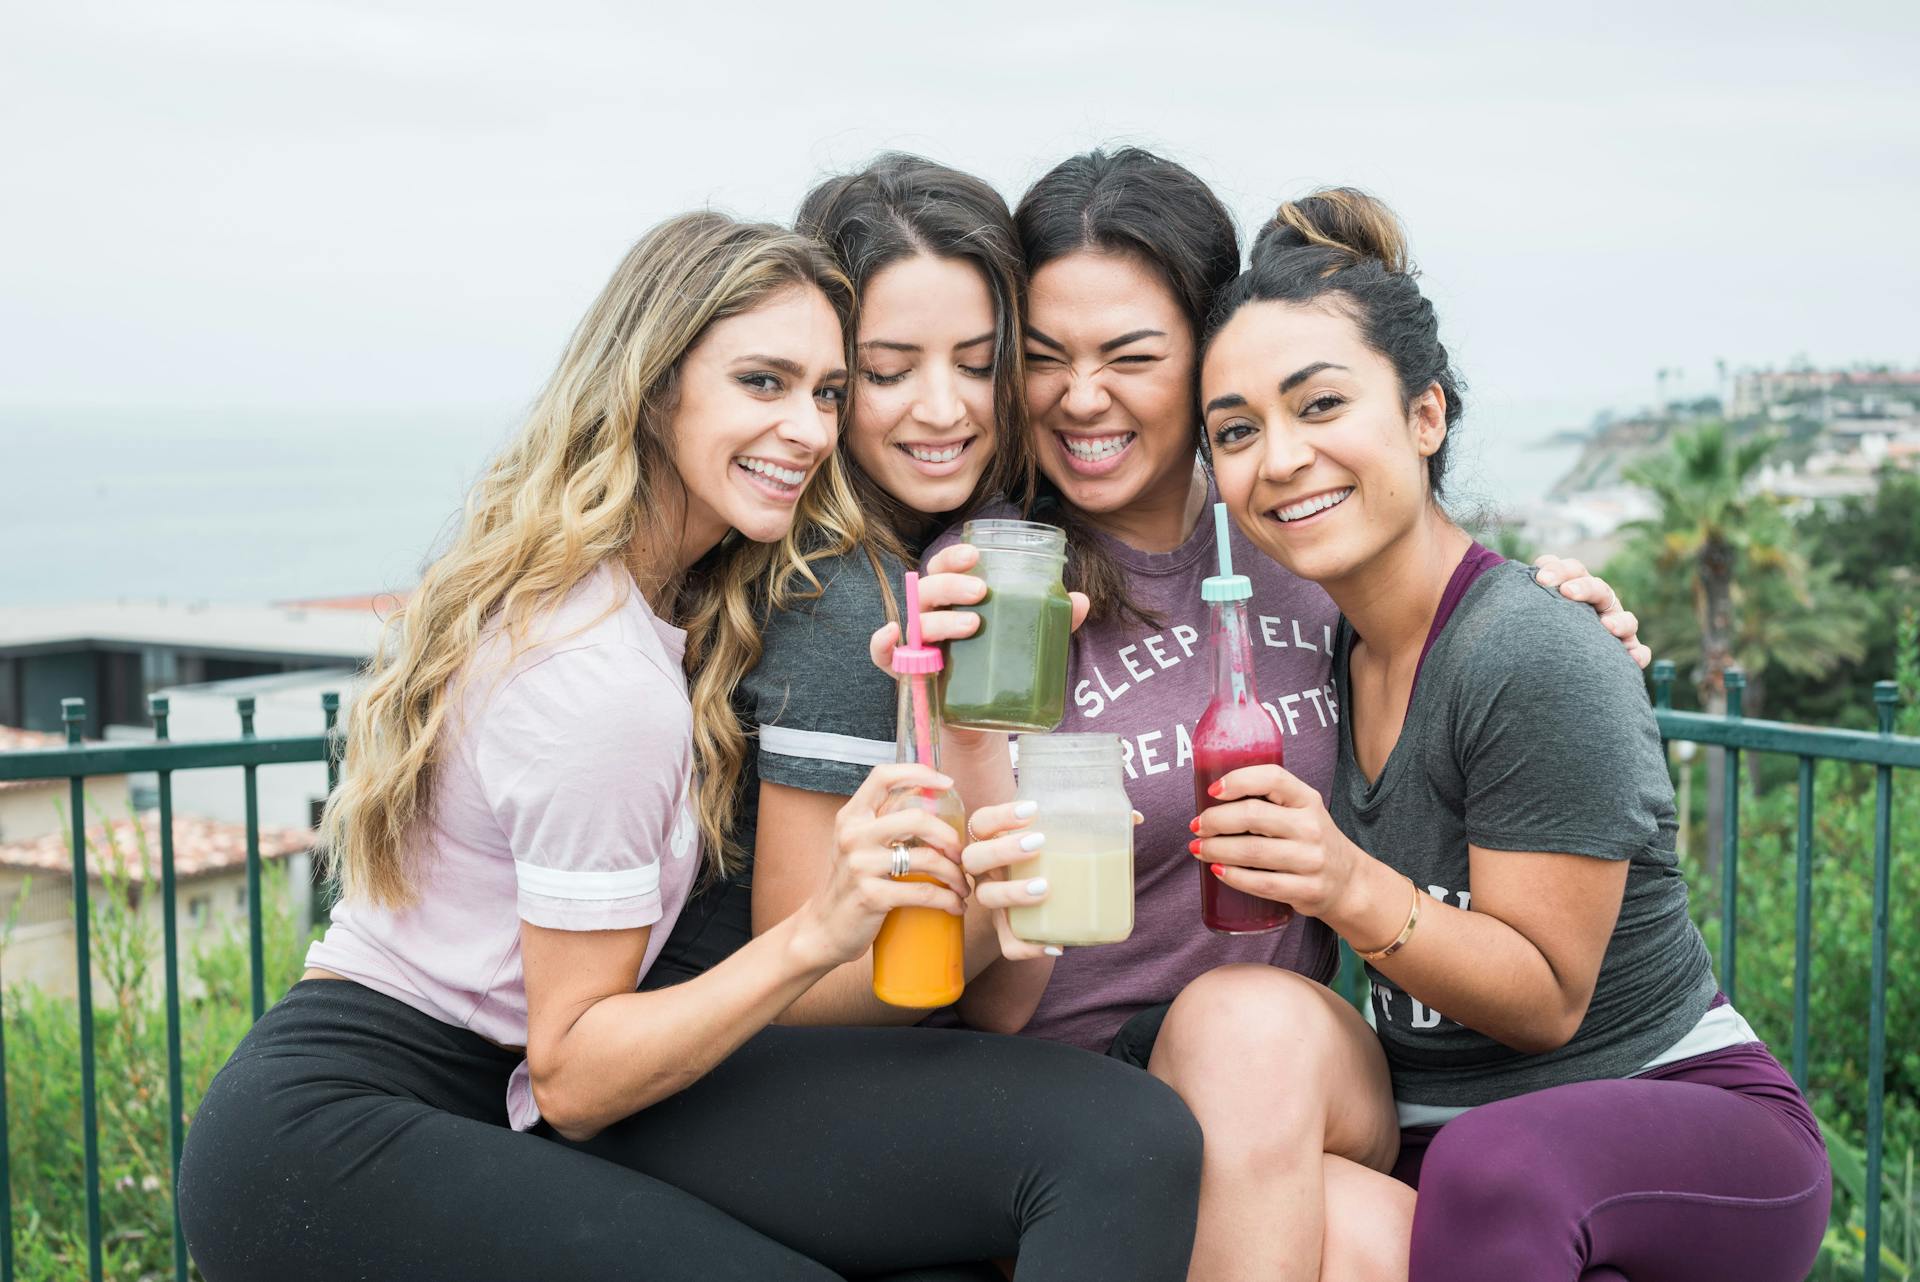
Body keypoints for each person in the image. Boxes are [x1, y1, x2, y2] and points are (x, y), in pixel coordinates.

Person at [175, 211, 1203, 1282]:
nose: (807, 429)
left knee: (1084, 1165)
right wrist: (819, 928)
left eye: (826, 393)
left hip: (484, 1094)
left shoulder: (670, 606)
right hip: (342, 1135)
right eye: (763, 383)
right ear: (656, 387)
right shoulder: (596, 673)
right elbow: (570, 1071)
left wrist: (955, 736)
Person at [1170, 186, 1830, 1282]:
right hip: (1444, 1141)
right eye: (1236, 431)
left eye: (1321, 405)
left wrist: (1342, 880)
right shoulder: (1323, 649)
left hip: (1661, 1107)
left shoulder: (1527, 648)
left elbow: (1545, 997)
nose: (1278, 458)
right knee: (1212, 1183)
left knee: (1488, 1169)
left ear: (1425, 416)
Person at [913, 147, 1648, 1059]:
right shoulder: (998, 577)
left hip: (1290, 1059)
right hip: (1080, 1087)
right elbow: (984, 990)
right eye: (1043, 359)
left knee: (1248, 1033)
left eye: (1132, 356)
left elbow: (1446, 616)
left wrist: (1560, 613)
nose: (1082, 396)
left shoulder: (1291, 531)